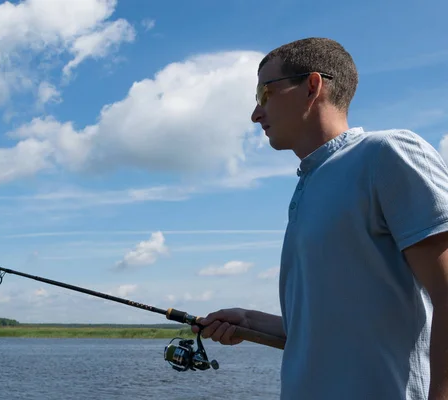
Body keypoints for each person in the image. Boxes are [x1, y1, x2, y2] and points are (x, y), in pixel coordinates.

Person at [192, 37, 448, 400]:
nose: (255, 114)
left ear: (312, 87)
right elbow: (339, 335)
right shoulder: (310, 184)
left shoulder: (385, 154)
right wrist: (251, 321)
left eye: (265, 94)